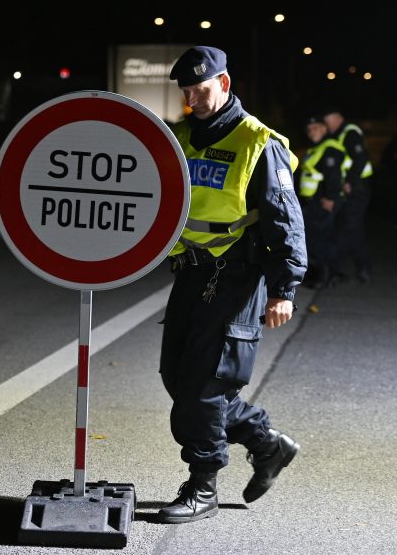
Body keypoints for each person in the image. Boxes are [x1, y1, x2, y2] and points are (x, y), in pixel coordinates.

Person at [158, 46, 307, 524]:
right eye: (187, 93)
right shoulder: (178, 138)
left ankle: (202, 486)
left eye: (202, 90)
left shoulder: (258, 142)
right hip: (192, 271)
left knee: (203, 387)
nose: (194, 100)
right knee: (176, 377)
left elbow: (286, 220)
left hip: (238, 276)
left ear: (224, 84)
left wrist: (285, 289)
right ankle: (267, 444)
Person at [322, 107, 374, 284]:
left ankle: (333, 268)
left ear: (337, 117)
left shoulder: (349, 133)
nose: (327, 126)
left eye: (328, 122)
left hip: (357, 188)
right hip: (351, 188)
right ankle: (363, 269)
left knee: (348, 229)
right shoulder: (340, 134)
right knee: (354, 229)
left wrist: (350, 181)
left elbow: (360, 158)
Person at [299, 115, 347, 289]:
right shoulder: (316, 148)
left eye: (316, 128)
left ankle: (325, 277)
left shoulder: (329, 149)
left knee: (317, 239)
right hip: (314, 201)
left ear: (324, 129)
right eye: (309, 130)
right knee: (317, 238)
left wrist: (332, 198)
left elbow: (334, 175)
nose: (312, 132)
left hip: (325, 201)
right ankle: (330, 274)